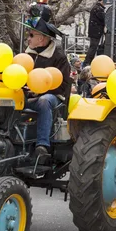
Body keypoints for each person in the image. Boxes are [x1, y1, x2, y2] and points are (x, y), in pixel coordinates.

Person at [24, 16, 71, 159]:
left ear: (43, 38)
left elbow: (63, 86)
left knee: (44, 101)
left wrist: (40, 90)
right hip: (28, 96)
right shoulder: (26, 55)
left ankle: (42, 145)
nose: (28, 38)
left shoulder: (59, 57)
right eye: (28, 34)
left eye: (31, 35)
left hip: (53, 97)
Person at [84, 0, 106, 66]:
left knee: (93, 47)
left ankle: (88, 62)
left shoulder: (96, 8)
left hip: (94, 31)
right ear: (102, 1)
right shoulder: (98, 9)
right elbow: (104, 18)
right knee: (93, 47)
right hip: (96, 32)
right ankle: (87, 62)